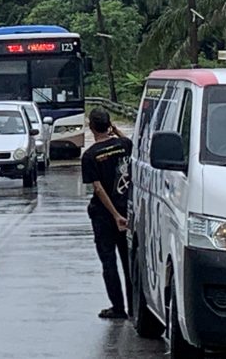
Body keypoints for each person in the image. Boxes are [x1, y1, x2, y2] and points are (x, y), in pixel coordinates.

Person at [81, 106, 133, 320]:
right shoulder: (124, 145)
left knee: (109, 262)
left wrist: (114, 216)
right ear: (109, 125)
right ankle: (134, 304)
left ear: (91, 127)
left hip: (105, 216)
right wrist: (116, 130)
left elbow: (99, 188)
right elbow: (130, 142)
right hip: (126, 211)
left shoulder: (90, 156)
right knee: (128, 261)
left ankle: (118, 308)